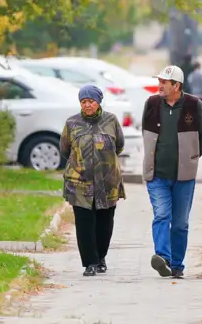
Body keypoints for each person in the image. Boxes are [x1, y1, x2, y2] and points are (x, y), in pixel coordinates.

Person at [141, 65, 202, 279]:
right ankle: (163, 257)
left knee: (180, 223)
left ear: (176, 86)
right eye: (159, 81)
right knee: (161, 215)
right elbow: (146, 131)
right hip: (157, 175)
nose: (159, 85)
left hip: (184, 176)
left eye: (164, 82)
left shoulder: (194, 105)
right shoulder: (151, 104)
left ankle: (177, 265)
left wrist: (191, 158)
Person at [60, 85, 126, 277]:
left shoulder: (111, 120)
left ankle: (101, 257)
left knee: (105, 222)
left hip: (108, 182)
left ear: (98, 102)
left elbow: (119, 145)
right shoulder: (72, 123)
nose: (87, 105)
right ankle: (90, 262)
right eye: (83, 102)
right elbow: (65, 149)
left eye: (90, 101)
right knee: (84, 222)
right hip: (80, 183)